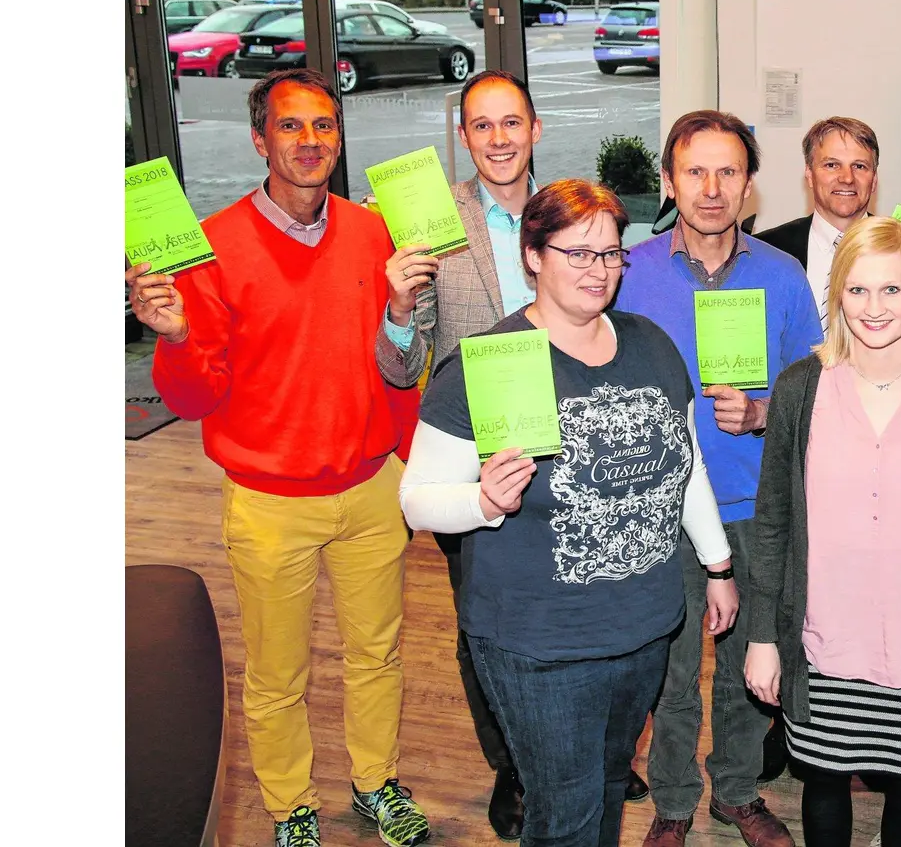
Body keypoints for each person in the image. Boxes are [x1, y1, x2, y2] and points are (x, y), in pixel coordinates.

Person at [125, 68, 430, 847]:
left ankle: (376, 782)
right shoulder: (215, 247)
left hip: (369, 487)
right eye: (291, 127)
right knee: (276, 675)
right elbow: (196, 397)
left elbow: (397, 356)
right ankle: (291, 805)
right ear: (260, 140)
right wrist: (175, 337)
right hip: (267, 501)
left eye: (323, 126)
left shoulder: (372, 232)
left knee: (377, 654)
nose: (309, 141)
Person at [396, 179, 738, 847]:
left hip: (644, 630)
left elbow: (686, 463)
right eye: (578, 253)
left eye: (610, 254)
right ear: (533, 255)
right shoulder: (491, 364)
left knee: (607, 786)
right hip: (539, 645)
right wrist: (483, 500)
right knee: (568, 816)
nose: (598, 270)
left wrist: (718, 563)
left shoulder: (651, 344)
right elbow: (416, 497)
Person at [376, 69, 650, 839]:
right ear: (461, 137)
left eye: (512, 123)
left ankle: (594, 751)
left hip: (584, 452)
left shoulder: (574, 212)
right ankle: (517, 762)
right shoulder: (428, 225)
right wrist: (398, 310)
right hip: (482, 470)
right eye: (482, 125)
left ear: (535, 129)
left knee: (592, 598)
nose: (499, 139)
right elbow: (402, 365)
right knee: (486, 625)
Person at [743, 216, 901, 847]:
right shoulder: (802, 388)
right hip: (826, 639)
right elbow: (772, 523)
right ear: (837, 296)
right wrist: (764, 638)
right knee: (823, 786)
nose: (875, 308)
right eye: (857, 290)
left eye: (891, 290)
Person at [613, 110, 821, 847]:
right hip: (659, 509)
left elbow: (815, 390)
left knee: (746, 668)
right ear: (670, 181)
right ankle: (672, 802)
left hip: (757, 506)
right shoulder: (628, 273)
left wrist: (765, 413)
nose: (711, 188)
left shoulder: (782, 276)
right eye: (695, 171)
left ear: (749, 187)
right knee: (669, 672)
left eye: (727, 171)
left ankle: (736, 790)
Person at [756, 117, 901, 328]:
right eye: (831, 165)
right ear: (809, 175)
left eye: (859, 166)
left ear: (873, 180)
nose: (847, 178)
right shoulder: (766, 250)